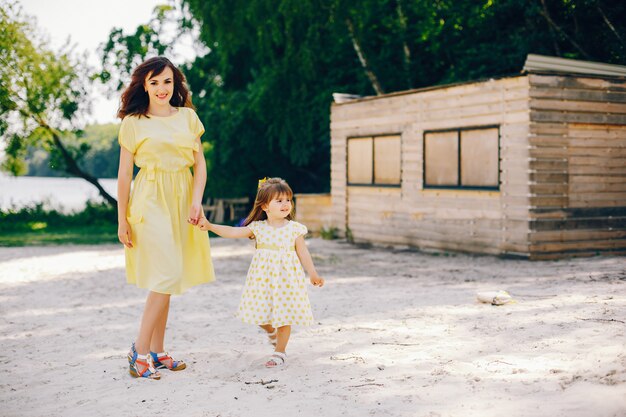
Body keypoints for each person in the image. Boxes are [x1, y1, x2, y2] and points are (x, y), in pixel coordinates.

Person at [117, 56, 215, 380]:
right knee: (166, 273)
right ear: (144, 85)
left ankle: (158, 353)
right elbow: (124, 177)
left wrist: (197, 201)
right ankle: (139, 352)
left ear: (175, 84)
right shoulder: (133, 121)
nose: (162, 88)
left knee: (169, 279)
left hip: (183, 198)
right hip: (150, 200)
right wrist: (122, 220)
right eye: (154, 82)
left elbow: (199, 164)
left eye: (167, 81)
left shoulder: (188, 117)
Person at [195, 177, 325, 367]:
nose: (285, 204)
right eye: (279, 200)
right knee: (260, 314)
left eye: (288, 200)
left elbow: (303, 252)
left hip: (286, 280)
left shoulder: (294, 229)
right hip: (262, 280)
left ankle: (279, 352)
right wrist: (210, 226)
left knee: (284, 315)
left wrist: (312, 273)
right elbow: (233, 232)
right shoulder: (258, 228)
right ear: (264, 206)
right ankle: (271, 331)